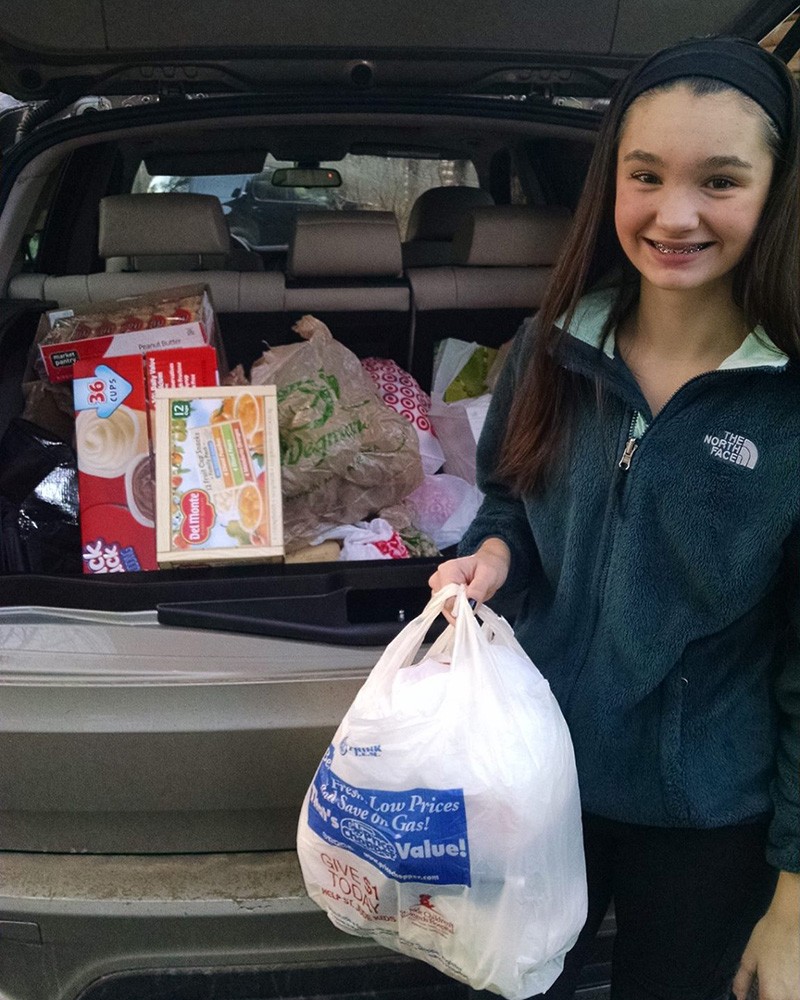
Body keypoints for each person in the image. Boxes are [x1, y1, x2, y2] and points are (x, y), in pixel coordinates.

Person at [429, 35, 800, 1000]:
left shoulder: (788, 408)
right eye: (647, 176)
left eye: (720, 180)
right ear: (613, 184)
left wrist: (794, 905)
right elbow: (508, 494)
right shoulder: (547, 349)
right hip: (538, 784)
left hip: (708, 822)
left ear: (778, 190)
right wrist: (491, 554)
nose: (675, 215)